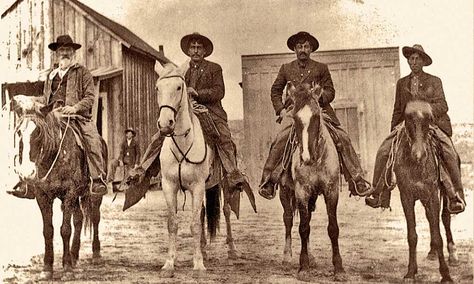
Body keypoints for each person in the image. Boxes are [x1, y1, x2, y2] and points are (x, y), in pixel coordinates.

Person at [128, 32, 247, 195]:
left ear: (204, 51)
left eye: (199, 47)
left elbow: (219, 92)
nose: (196, 51)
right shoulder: (182, 70)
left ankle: (232, 174)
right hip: (187, 111)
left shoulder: (214, 68)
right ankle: (142, 170)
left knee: (224, 137)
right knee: (159, 136)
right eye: (193, 47)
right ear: (188, 51)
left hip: (210, 111)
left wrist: (198, 93)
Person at [258, 31, 372, 200]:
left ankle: (356, 179)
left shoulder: (321, 68)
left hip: (319, 111)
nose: (302, 49)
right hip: (295, 112)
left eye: (306, 46)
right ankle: (269, 181)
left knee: (342, 137)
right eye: (299, 46)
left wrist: (319, 98)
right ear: (295, 50)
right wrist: (281, 110)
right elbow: (275, 90)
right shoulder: (286, 68)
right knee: (280, 139)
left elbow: (330, 91)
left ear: (311, 49)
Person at [365, 44, 466, 214]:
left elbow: (443, 105)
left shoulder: (434, 81)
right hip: (407, 126)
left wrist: (425, 110)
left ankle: (455, 196)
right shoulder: (401, 83)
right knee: (384, 150)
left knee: (449, 151)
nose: (414, 62)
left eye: (417, 59)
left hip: (431, 125)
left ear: (423, 62)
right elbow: (398, 109)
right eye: (411, 59)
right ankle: (379, 193)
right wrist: (394, 131)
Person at [9, 34, 107, 198]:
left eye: (68, 50)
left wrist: (75, 108)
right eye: (61, 50)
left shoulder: (83, 73)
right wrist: (29, 99)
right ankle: (27, 181)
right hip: (51, 116)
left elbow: (90, 98)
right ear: (57, 53)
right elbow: (45, 99)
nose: (65, 53)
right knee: (29, 134)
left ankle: (96, 179)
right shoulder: (51, 75)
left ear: (73, 52)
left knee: (93, 140)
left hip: (76, 117)